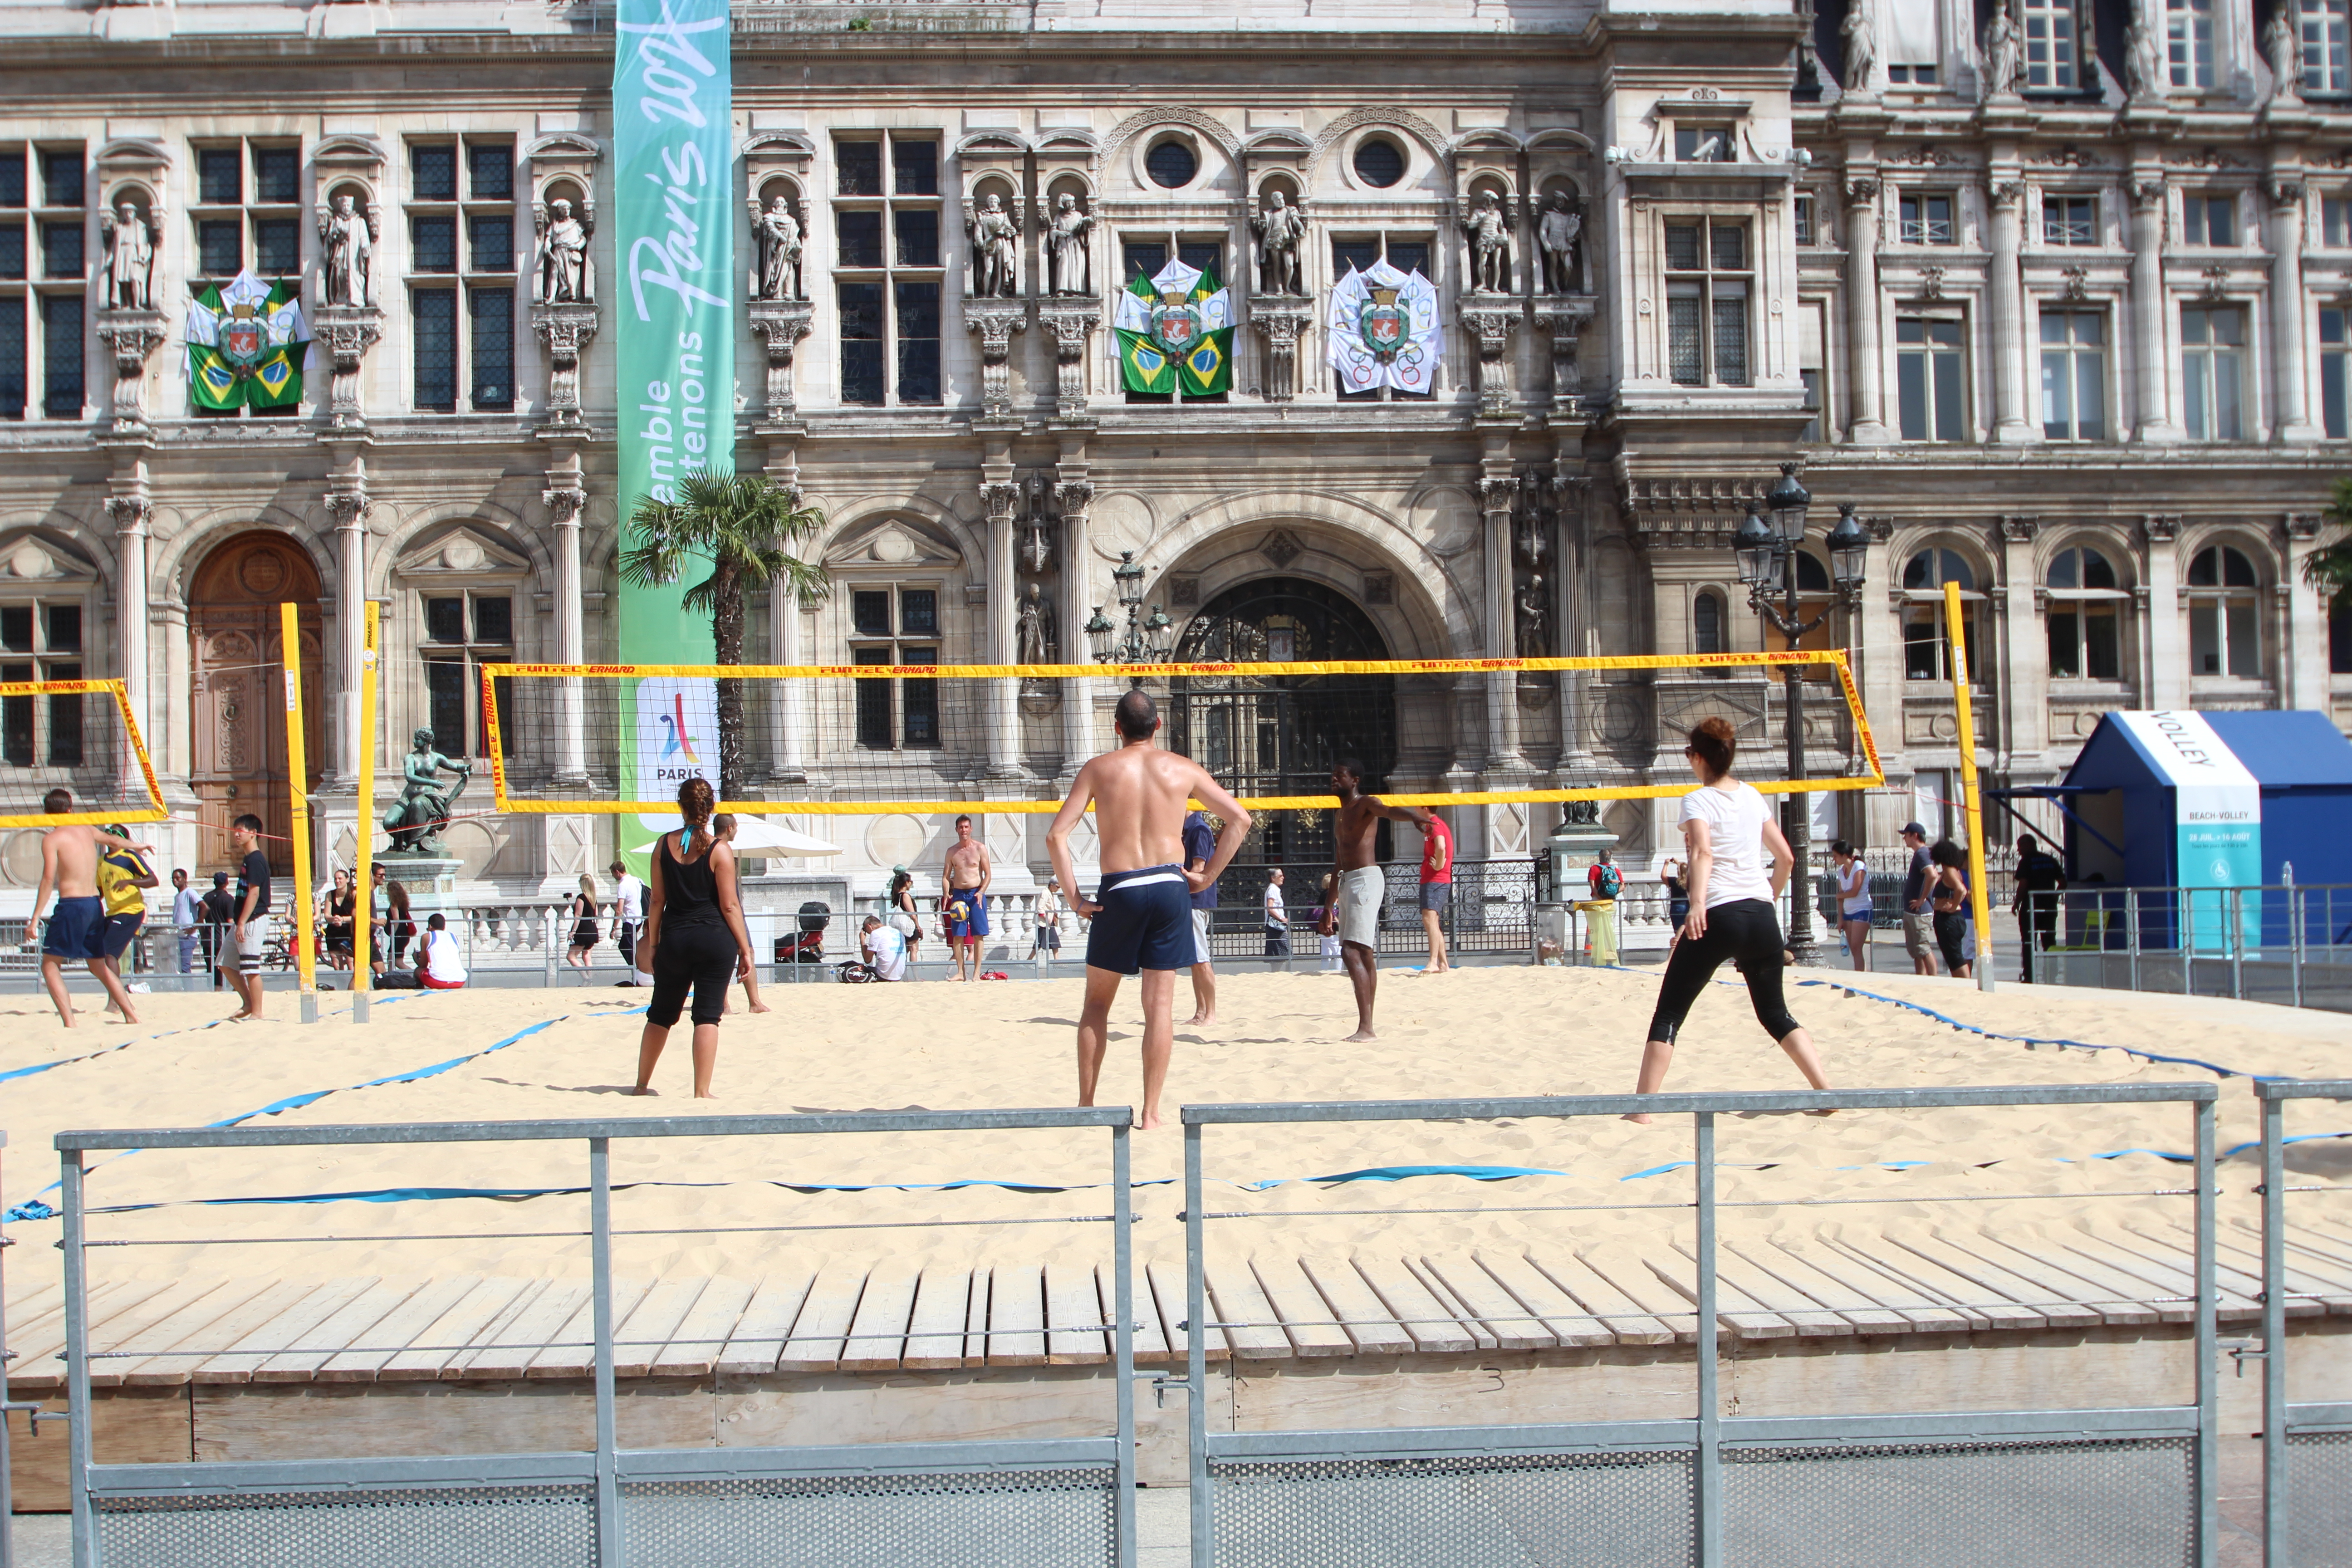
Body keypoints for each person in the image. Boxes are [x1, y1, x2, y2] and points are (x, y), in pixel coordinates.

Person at [1046, 688, 1250, 1131]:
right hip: (1169, 886)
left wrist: (1075, 899)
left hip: (1122, 886)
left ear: (1116, 728)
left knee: (1097, 1003)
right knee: (1159, 1007)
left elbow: (1056, 837)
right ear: (1158, 726)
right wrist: (1209, 876)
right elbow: (1241, 820)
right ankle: (1152, 1113)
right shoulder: (1181, 768)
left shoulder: (1099, 769)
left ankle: (1086, 1105)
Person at [1627, 719, 1834, 1122]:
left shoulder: (1698, 799)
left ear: (1700, 757)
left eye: (1689, 754)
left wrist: (1697, 905)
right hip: (1760, 916)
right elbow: (1787, 858)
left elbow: (1703, 853)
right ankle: (1825, 1091)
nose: (1689, 761)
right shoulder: (1753, 797)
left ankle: (1642, 1110)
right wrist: (1768, 897)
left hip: (1718, 914)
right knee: (1775, 1012)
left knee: (1669, 1013)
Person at [632, 777, 758, 1099]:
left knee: (660, 1014)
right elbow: (730, 906)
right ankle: (701, 1092)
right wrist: (746, 950)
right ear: (710, 808)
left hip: (675, 938)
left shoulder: (662, 845)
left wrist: (655, 944)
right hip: (714, 939)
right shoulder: (720, 850)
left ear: (681, 807)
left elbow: (657, 901)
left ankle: (642, 1084)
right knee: (707, 1016)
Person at [21, 792, 152, 1028]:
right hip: (94, 905)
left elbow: (47, 880)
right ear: (71, 808)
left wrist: (34, 920)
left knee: (50, 965)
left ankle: (70, 1023)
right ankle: (131, 1015)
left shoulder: (52, 839)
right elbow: (114, 841)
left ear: (46, 813)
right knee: (98, 966)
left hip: (73, 905)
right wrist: (137, 845)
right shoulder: (87, 829)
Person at [1330, 758, 1434, 1043]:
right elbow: (1338, 862)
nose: (1334, 779)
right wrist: (1329, 907)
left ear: (1355, 781)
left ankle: (1367, 1028)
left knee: (1351, 952)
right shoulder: (1339, 815)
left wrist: (1413, 817)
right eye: (1334, 776)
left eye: (1340, 775)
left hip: (1366, 879)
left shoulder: (1366, 803)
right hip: (1348, 881)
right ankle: (1367, 1026)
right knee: (1363, 954)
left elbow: (1388, 811)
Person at [94, 823, 158, 1017]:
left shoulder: (129, 857)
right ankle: (118, 997)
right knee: (98, 956)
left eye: (115, 833)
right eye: (109, 832)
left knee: (109, 954)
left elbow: (153, 880)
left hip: (131, 910)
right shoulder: (101, 861)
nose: (110, 835)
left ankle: (115, 1001)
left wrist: (130, 881)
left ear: (122, 839)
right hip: (113, 912)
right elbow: (100, 891)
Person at [711, 816, 770, 1013]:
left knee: (746, 954)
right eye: (736, 828)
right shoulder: (720, 849)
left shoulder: (715, 848)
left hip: (729, 911)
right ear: (730, 828)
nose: (736, 831)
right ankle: (727, 1004)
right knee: (731, 956)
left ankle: (754, 1003)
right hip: (727, 911)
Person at [222, 815, 273, 1022]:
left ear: (253, 833)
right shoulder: (248, 858)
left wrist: (242, 922)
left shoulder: (257, 859)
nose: (237, 834)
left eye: (241, 830)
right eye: (235, 830)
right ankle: (248, 1003)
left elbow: (254, 893)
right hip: (242, 920)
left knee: (251, 969)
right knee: (225, 962)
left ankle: (258, 1012)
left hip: (253, 919)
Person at [942, 813, 992, 983]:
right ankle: (961, 972)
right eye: (961, 827)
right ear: (957, 830)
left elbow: (988, 874)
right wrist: (945, 894)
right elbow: (946, 876)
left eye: (966, 827)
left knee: (979, 934)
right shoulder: (952, 851)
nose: (964, 830)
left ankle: (976, 973)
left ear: (971, 829)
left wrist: (981, 891)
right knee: (958, 934)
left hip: (976, 893)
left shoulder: (980, 848)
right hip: (958, 895)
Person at [2012, 833, 2068, 984]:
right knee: (2050, 942)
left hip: (2031, 908)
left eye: (2020, 847)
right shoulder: (2050, 860)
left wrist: (2017, 903)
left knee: (2029, 942)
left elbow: (2023, 885)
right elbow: (2063, 882)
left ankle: (2029, 975)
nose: (2019, 851)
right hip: (2049, 908)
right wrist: (2054, 896)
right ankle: (2051, 975)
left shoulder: (2026, 862)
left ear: (2028, 845)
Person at [1182, 808, 1219, 1026]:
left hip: (1196, 900)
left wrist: (1178, 879)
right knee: (1195, 961)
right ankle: (1200, 1012)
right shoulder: (1190, 830)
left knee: (1202, 959)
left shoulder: (1198, 830)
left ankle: (1211, 1015)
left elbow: (1198, 870)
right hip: (1192, 900)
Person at [1929, 839, 1974, 980]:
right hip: (1951, 918)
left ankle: (1965, 983)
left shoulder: (1949, 871)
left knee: (1955, 958)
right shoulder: (1954, 871)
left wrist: (1953, 907)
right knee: (1954, 956)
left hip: (1949, 919)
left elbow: (1961, 890)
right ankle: (1964, 982)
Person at [1899, 821, 1939, 977]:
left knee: (1922, 947)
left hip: (1920, 911)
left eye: (1906, 836)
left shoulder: (1922, 853)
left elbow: (1932, 874)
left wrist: (1922, 898)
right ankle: (1920, 978)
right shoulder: (1920, 854)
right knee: (1916, 950)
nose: (1905, 839)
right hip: (1913, 910)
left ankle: (1933, 978)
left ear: (1915, 836)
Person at [1418, 810, 1454, 974]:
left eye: (1417, 806)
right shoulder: (1430, 826)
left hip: (1437, 879)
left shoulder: (1436, 825)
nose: (1414, 808)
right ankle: (1444, 964)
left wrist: (1439, 865)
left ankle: (1433, 962)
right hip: (1433, 879)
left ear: (1425, 808)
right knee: (1433, 921)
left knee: (1429, 918)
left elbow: (1441, 846)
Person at [1830, 840, 1872, 974]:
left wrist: (1840, 896)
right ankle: (1859, 973)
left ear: (1844, 856)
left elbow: (1855, 891)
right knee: (1853, 949)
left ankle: (1861, 976)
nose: (1834, 859)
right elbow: (1841, 896)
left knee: (1856, 946)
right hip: (1848, 911)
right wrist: (1840, 917)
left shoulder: (1859, 866)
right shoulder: (1841, 871)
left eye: (1836, 855)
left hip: (1862, 909)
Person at [609, 859, 646, 985]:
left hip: (630, 919)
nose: (614, 877)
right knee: (630, 946)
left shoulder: (623, 885)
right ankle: (637, 970)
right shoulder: (637, 880)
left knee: (626, 947)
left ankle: (637, 970)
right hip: (639, 917)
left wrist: (614, 928)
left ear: (617, 872)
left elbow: (619, 910)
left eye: (613, 874)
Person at [200, 871, 234, 990]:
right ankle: (220, 989)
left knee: (211, 967)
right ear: (227, 883)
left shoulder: (207, 897)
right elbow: (230, 921)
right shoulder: (228, 899)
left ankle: (214, 988)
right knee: (223, 967)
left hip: (209, 936)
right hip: (221, 938)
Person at [887, 864, 925, 969]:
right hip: (909, 927)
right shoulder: (905, 896)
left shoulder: (897, 895)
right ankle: (915, 975)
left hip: (903, 927)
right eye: (910, 882)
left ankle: (905, 973)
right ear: (906, 883)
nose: (911, 884)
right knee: (914, 949)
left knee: (907, 950)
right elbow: (912, 914)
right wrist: (918, 926)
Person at [416, 912, 467, 990]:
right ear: (444, 926)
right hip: (460, 980)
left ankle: (420, 992)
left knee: (417, 971)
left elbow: (423, 965)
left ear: (430, 926)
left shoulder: (427, 937)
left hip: (438, 981)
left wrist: (415, 958)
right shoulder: (454, 936)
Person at [321, 867, 356, 971]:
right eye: (336, 879)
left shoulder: (354, 894)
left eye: (340, 879)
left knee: (351, 963)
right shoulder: (330, 895)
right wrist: (335, 919)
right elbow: (327, 915)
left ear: (347, 879)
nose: (337, 881)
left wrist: (343, 919)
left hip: (348, 930)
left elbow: (357, 915)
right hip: (334, 931)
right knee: (337, 964)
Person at [171, 867, 202, 977]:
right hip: (179, 935)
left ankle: (189, 989)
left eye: (178, 878)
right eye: (173, 879)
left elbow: (204, 907)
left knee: (185, 966)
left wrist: (195, 927)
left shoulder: (190, 893)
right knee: (179, 966)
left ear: (185, 879)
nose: (175, 881)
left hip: (188, 936)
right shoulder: (177, 896)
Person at [566, 873, 600, 971]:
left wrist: (573, 931)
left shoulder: (581, 898)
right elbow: (596, 914)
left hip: (583, 929)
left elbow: (578, 915)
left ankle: (586, 978)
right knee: (587, 958)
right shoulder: (593, 898)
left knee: (571, 957)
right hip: (593, 928)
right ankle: (590, 981)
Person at [860, 913, 909, 980]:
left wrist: (862, 941)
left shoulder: (876, 933)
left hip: (884, 975)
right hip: (899, 974)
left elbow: (867, 960)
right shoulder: (898, 932)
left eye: (866, 931)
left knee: (862, 970)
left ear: (869, 926)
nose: (868, 933)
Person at [1033, 875, 1065, 962]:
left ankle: (1057, 961)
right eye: (1058, 887)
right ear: (1052, 885)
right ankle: (1029, 961)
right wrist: (1046, 918)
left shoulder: (1049, 893)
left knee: (1055, 942)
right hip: (1045, 923)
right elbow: (1040, 908)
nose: (1058, 889)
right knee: (1039, 943)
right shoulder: (1045, 893)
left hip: (1050, 923)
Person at [1315, 873, 1343, 970]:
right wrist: (1338, 921)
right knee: (1338, 950)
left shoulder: (1323, 894)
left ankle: (1324, 970)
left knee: (1326, 951)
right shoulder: (1329, 894)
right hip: (1329, 925)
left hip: (1321, 926)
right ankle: (1338, 970)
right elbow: (1331, 911)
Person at [1264, 868, 1291, 958]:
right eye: (1280, 876)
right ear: (1273, 878)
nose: (1283, 878)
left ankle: (1278, 970)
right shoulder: (1273, 890)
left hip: (1276, 925)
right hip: (1276, 926)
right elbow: (1270, 908)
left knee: (1277, 953)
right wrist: (1281, 919)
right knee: (1285, 952)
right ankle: (1285, 970)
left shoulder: (1275, 889)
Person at [1661, 858, 1690, 935]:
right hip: (1688, 905)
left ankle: (1677, 942)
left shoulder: (1675, 881)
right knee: (1686, 928)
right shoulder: (1690, 882)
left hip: (1677, 906)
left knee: (1678, 930)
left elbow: (1663, 877)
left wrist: (1666, 864)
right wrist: (1678, 863)